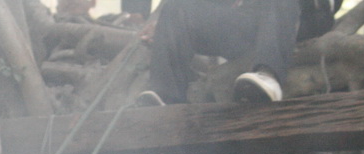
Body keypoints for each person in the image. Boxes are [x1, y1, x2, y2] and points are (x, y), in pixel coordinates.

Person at [137, 0, 341, 106]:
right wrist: (165, 28)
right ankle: (167, 97)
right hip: (250, 21)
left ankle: (268, 76)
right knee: (177, 8)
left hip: (301, 17)